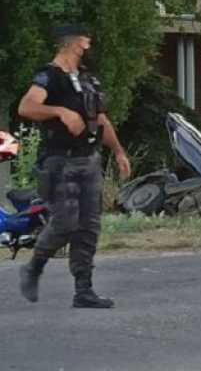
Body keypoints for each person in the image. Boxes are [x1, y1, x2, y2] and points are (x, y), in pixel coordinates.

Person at [17, 24, 131, 309]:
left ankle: (84, 290)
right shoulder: (49, 77)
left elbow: (101, 120)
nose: (89, 44)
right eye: (86, 40)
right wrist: (60, 110)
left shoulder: (88, 79)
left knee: (88, 227)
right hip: (60, 161)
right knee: (65, 222)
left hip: (89, 159)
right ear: (75, 43)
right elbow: (26, 107)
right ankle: (34, 267)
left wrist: (118, 151)